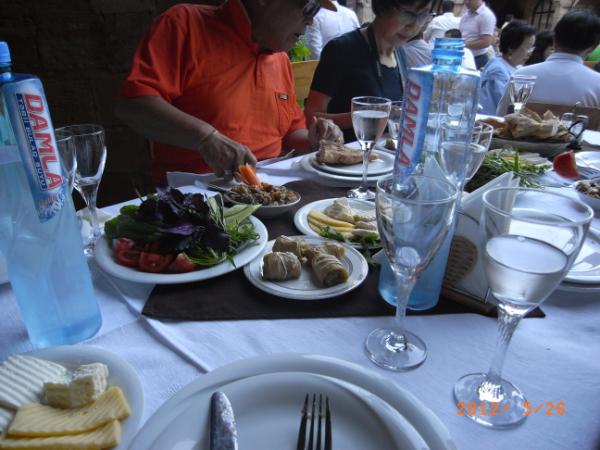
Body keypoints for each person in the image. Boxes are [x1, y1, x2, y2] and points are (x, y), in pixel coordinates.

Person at [115, 0, 343, 186]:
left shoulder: (280, 58)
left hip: (271, 191)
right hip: (197, 196)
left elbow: (291, 131)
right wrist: (205, 138)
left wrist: (314, 139)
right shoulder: (185, 24)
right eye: (308, 7)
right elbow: (133, 104)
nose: (311, 20)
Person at [304, 0, 433, 142]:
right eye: (408, 14)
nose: (414, 26)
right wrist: (361, 116)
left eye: (423, 16)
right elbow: (311, 116)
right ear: (382, 7)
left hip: (384, 152)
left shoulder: (400, 52)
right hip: (342, 150)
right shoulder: (341, 49)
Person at [496, 9, 600, 116]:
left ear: (554, 39)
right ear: (593, 47)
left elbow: (502, 118)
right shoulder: (597, 84)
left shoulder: (522, 76)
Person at [479, 20, 535, 115]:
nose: (530, 52)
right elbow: (507, 107)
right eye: (528, 47)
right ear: (511, 47)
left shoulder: (517, 67)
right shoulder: (498, 72)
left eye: (532, 47)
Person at [459, 0, 497, 70]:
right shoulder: (465, 15)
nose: (466, 2)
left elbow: (486, 42)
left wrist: (463, 44)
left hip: (477, 59)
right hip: (463, 56)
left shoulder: (486, 15)